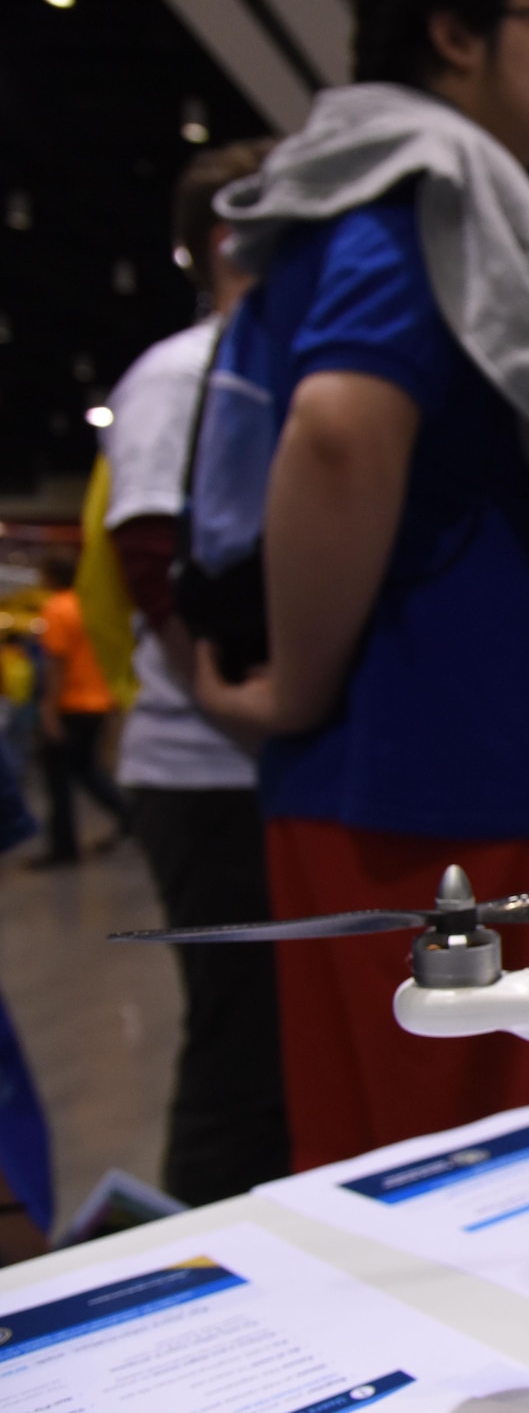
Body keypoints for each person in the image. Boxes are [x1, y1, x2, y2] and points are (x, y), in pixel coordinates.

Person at [189, 0, 529, 1169]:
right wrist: (298, 687)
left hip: (380, 788)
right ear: (455, 33)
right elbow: (341, 429)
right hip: (458, 794)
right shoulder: (425, 196)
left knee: (384, 1178)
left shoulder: (340, 207)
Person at [101, 138, 290, 1204]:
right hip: (206, 775)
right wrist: (229, 698)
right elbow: (148, 552)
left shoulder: (253, 367)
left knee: (267, 1044)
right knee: (236, 1051)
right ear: (233, 238)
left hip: (248, 767)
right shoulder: (187, 374)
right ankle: (188, 1265)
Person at [33, 554, 129, 866]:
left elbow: (57, 665)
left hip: (70, 705)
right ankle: (131, 816)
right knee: (86, 770)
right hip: (98, 701)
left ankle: (63, 848)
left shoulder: (56, 608)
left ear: (50, 576)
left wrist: (49, 710)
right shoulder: (87, 606)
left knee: (58, 778)